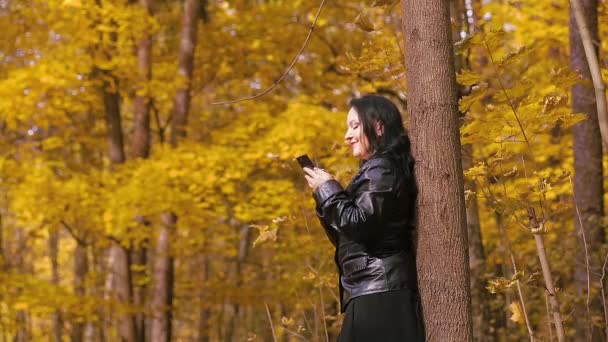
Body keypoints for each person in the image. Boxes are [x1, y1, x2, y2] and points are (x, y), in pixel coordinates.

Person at [303, 94, 424, 341]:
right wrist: (323, 195)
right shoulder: (374, 170)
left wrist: (329, 190)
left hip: (382, 292)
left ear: (379, 127)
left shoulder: (382, 168)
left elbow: (359, 224)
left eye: (354, 126)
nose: (347, 137)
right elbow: (345, 236)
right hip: (371, 291)